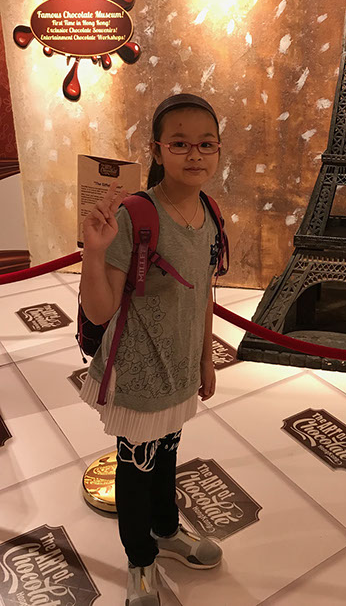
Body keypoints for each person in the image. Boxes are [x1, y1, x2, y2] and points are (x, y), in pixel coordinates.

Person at [79, 94, 225, 606]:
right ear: (157, 150)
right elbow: (101, 310)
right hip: (139, 374)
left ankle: (166, 532)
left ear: (219, 150)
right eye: (180, 143)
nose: (195, 154)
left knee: (166, 454)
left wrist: (205, 358)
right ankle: (140, 560)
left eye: (206, 143)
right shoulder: (136, 214)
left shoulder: (209, 212)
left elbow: (205, 294)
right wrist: (94, 253)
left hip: (179, 369)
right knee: (137, 469)